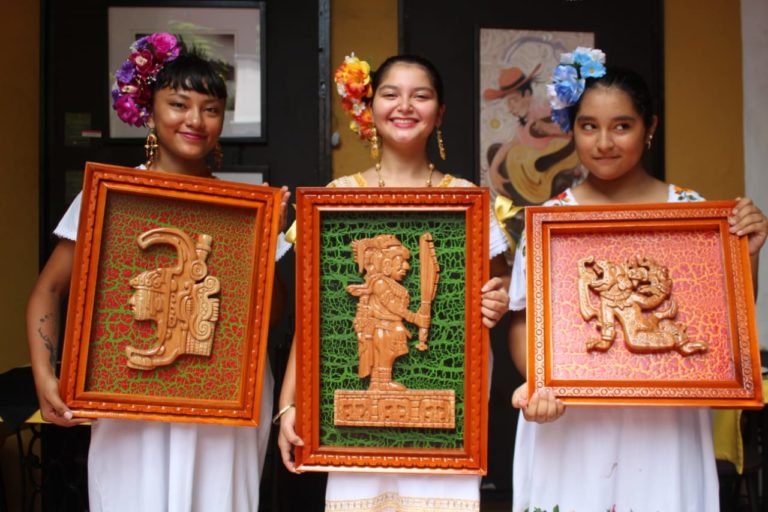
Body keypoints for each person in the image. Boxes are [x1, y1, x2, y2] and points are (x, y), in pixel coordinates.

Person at [26, 33, 290, 511]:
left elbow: (271, 322)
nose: (195, 120)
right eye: (179, 104)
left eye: (211, 108)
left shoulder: (246, 213)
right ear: (149, 110)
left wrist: (259, 244)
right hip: (130, 398)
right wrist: (46, 375)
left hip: (224, 405)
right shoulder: (106, 200)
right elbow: (48, 289)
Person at [507, 47, 768, 512]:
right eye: (589, 126)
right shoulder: (549, 223)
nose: (604, 141)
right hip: (572, 425)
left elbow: (724, 327)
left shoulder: (691, 214)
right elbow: (524, 325)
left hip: (664, 421)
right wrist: (542, 384)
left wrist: (747, 255)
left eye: (622, 125)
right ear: (573, 131)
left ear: (650, 128)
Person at [276, 53, 510, 511]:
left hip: (451, 420)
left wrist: (495, 300)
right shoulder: (337, 199)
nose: (405, 106)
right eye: (390, 94)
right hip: (354, 432)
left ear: (439, 113)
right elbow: (313, 316)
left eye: (420, 96)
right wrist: (289, 404)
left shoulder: (467, 200)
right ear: (370, 109)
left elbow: (497, 290)